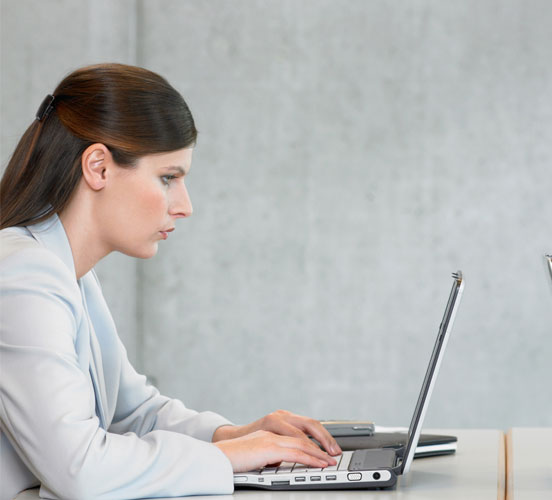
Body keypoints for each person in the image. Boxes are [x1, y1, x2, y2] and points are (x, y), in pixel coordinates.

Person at [0, 64, 343, 499]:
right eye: (168, 178)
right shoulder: (21, 276)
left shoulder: (67, 274)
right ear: (99, 167)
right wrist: (229, 459)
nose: (184, 206)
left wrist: (235, 435)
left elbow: (134, 412)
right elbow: (80, 469)